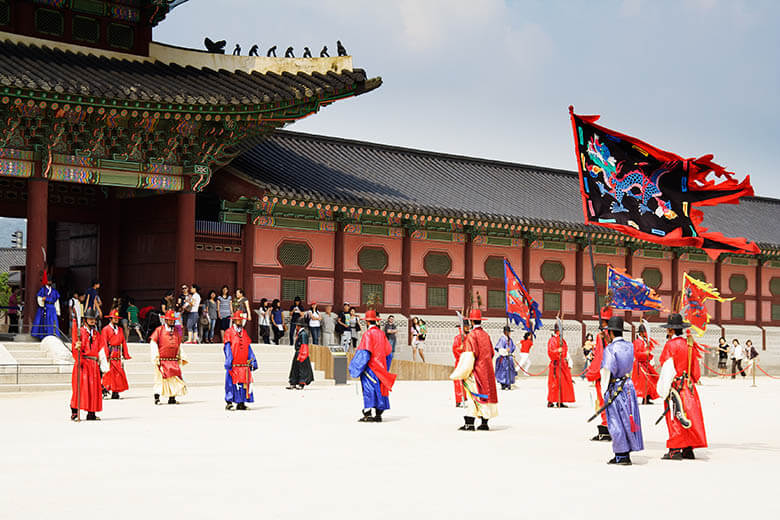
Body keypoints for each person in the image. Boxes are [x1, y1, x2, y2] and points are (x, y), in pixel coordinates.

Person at [657, 313, 707, 460]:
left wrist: (663, 389)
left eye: (668, 329)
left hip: (675, 386)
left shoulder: (670, 345)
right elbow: (696, 373)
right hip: (688, 386)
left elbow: (667, 369)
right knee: (688, 415)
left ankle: (675, 449)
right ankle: (688, 448)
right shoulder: (689, 344)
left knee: (675, 416)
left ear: (671, 330)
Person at [600, 317, 644, 466]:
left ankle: (621, 455)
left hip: (615, 388)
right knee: (628, 418)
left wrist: (603, 391)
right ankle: (627, 451)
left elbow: (606, 371)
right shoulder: (630, 346)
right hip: (628, 387)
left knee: (615, 421)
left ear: (610, 332)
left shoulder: (610, 349)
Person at [450, 309, 498, 431]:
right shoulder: (486, 335)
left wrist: (462, 371)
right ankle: (484, 423)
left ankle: (470, 423)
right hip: (486, 370)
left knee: (473, 395)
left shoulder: (472, 336)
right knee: (485, 395)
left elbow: (469, 356)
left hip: (475, 370)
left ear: (471, 322)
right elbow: (492, 353)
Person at [348, 310, 396, 422]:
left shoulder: (368, 334)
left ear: (367, 323)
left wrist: (355, 367)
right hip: (381, 368)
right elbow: (389, 352)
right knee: (380, 388)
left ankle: (368, 413)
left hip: (370, 368)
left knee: (369, 389)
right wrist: (385, 367)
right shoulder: (381, 334)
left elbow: (364, 353)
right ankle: (378, 414)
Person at [70, 309, 108, 421]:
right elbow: (74, 347)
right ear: (85, 320)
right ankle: (74, 411)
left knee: (94, 388)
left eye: (94, 319)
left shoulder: (97, 334)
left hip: (93, 364)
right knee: (80, 388)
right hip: (83, 362)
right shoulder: (80, 332)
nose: (92, 321)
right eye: (90, 319)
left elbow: (101, 349)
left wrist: (103, 365)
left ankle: (91, 412)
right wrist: (77, 349)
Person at [150, 309, 189, 405]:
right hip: (162, 360)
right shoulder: (159, 330)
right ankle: (157, 398)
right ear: (166, 320)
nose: (172, 322)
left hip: (173, 360)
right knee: (160, 379)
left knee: (174, 379)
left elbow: (179, 344)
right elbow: (153, 343)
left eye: (173, 320)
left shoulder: (176, 331)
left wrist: (181, 355)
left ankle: (172, 398)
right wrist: (155, 356)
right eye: (170, 320)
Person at [586, 308, 612, 441]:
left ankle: (606, 426)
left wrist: (592, 372)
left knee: (603, 399)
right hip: (613, 371)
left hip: (603, 372)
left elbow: (600, 356)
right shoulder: (613, 334)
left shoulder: (601, 335)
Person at [223, 311, 258, 410]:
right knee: (231, 383)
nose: (240, 322)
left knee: (243, 384)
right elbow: (227, 347)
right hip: (234, 364)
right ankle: (229, 402)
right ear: (234, 320)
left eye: (241, 320)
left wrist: (252, 360)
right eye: (238, 320)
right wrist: (229, 360)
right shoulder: (229, 332)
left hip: (243, 364)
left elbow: (248, 347)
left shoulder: (244, 333)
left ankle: (241, 403)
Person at [101, 309, 131, 399]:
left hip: (117, 354)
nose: (116, 320)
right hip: (110, 354)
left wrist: (125, 353)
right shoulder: (105, 329)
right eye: (114, 318)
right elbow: (104, 343)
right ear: (110, 319)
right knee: (109, 373)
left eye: (117, 318)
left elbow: (123, 342)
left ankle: (116, 391)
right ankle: (105, 389)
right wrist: (106, 356)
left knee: (118, 374)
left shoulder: (120, 329)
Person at [547, 321, 575, 408]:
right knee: (554, 383)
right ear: (556, 331)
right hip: (555, 364)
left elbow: (565, 350)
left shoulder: (562, 340)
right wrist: (557, 351)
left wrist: (562, 352)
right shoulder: (552, 340)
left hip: (562, 363)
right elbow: (550, 351)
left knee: (563, 383)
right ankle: (551, 401)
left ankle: (561, 400)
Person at [632, 323, 660, 404]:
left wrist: (650, 356)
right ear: (640, 333)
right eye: (644, 332)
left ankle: (647, 397)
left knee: (649, 381)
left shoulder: (645, 342)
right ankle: (639, 398)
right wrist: (645, 353)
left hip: (645, 364)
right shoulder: (637, 342)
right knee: (641, 383)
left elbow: (648, 353)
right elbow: (637, 354)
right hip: (639, 365)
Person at [287, 319, 314, 389]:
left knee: (302, 368)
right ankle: (293, 382)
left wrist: (302, 355)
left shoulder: (303, 334)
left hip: (301, 353)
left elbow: (304, 345)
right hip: (298, 352)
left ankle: (301, 383)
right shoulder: (300, 333)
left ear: (299, 326)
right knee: (295, 368)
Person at [32, 273, 60, 340]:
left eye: (50, 281)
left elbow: (56, 301)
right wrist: (42, 300)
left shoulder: (54, 291)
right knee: (44, 321)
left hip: (52, 308)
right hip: (45, 308)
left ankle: (53, 335)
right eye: (48, 281)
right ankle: (43, 336)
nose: (49, 282)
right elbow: (39, 298)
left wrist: (58, 310)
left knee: (52, 322)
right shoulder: (42, 290)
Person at [451, 322, 470, 407]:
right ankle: (459, 400)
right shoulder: (458, 338)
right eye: (466, 326)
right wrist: (461, 350)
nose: (468, 328)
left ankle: (467, 398)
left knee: (469, 381)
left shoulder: (470, 337)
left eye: (468, 326)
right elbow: (455, 350)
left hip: (469, 362)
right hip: (460, 362)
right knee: (459, 382)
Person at [495, 325, 517, 390]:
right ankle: (503, 383)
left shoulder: (510, 340)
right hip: (504, 358)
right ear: (505, 332)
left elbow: (512, 348)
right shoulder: (502, 339)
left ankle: (509, 383)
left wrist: (511, 353)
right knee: (503, 371)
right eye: (508, 332)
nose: (509, 333)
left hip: (509, 358)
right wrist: (505, 351)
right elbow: (499, 349)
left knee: (510, 371)